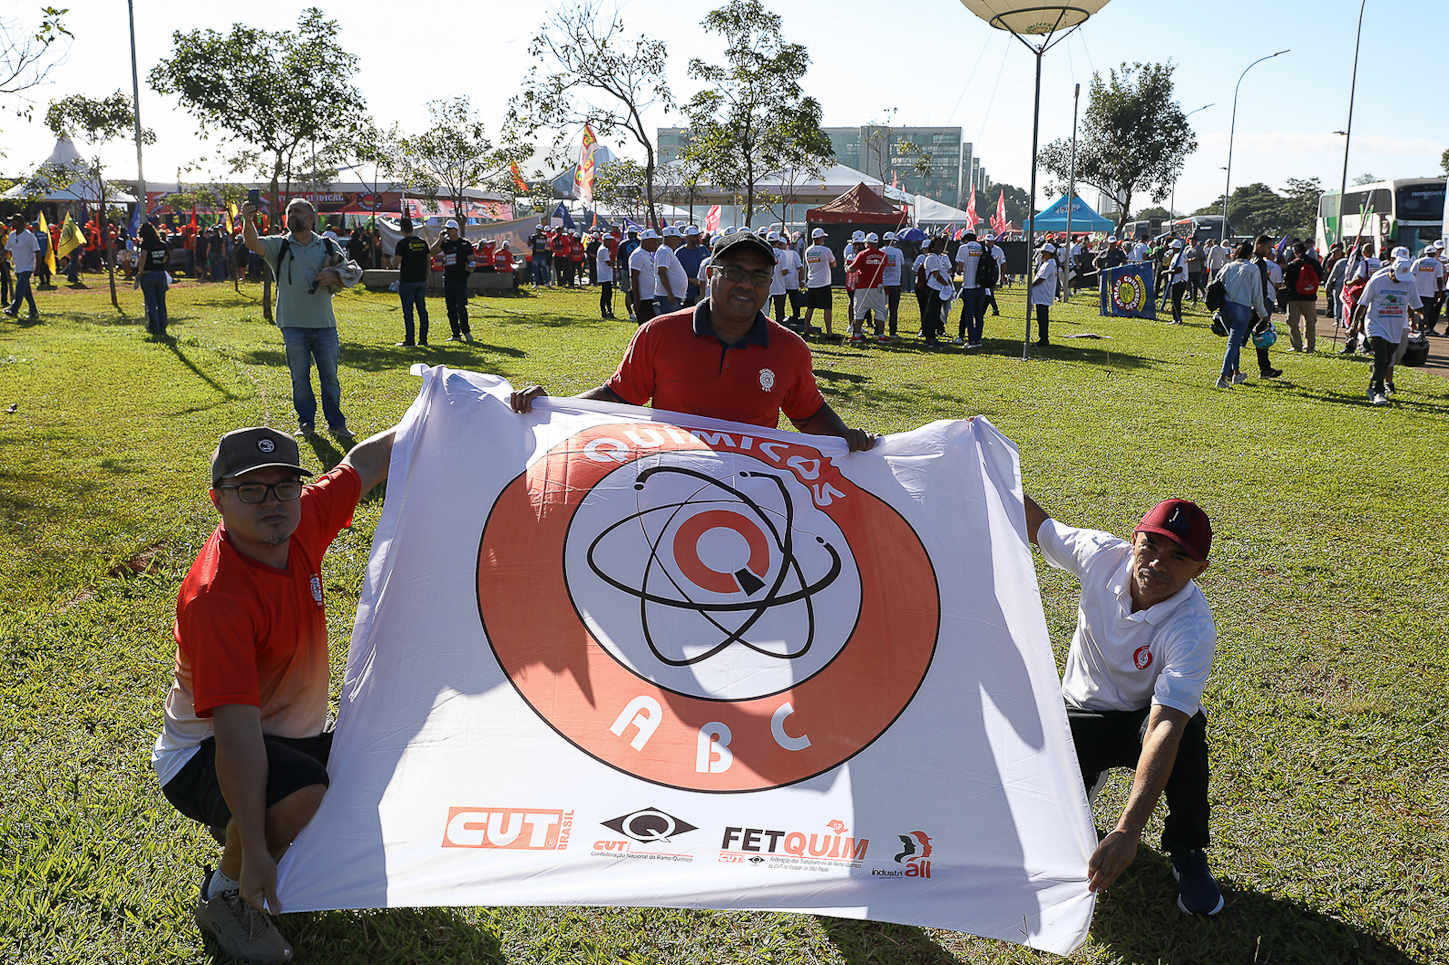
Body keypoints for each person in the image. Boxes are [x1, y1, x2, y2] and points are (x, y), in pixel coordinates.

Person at [154, 424, 396, 964]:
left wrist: (452, 407)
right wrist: (260, 854)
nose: (272, 502)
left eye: (284, 485)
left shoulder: (300, 516)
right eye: (250, 489)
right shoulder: (218, 599)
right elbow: (236, 735)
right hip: (202, 755)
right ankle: (224, 894)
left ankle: (241, 827)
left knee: (380, 761)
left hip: (285, 733)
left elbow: (366, 461)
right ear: (217, 498)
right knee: (304, 792)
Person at [1022, 495, 1223, 916]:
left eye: (1178, 557)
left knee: (1186, 736)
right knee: (1029, 823)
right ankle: (1083, 777)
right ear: (1133, 540)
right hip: (1078, 712)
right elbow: (1039, 526)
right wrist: (985, 460)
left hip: (1142, 719)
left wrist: (1128, 829)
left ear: (1200, 569)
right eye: (1150, 546)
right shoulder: (1100, 555)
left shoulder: (1193, 627)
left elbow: (1165, 723)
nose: (1157, 564)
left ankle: (1188, 850)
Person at [509, 230, 876, 453]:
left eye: (759, 277)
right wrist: (551, 408)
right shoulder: (660, 333)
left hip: (753, 490)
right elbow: (618, 397)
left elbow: (808, 413)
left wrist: (849, 438)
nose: (746, 284)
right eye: (734, 272)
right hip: (665, 481)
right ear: (711, 274)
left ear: (769, 283)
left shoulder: (790, 348)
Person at [242, 198, 355, 439]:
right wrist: (248, 220)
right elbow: (252, 243)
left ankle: (337, 424)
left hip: (324, 324)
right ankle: (306, 424)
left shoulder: (328, 245)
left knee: (330, 378)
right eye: (289, 211)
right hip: (292, 325)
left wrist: (333, 273)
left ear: (311, 218)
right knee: (300, 380)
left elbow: (350, 272)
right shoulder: (279, 246)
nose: (292, 215)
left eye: (298, 212)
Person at [1353, 257, 1422, 405]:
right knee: (1382, 358)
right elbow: (1362, 304)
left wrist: (1422, 317)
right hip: (1375, 325)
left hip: (1395, 329)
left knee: (1385, 361)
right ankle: (1379, 392)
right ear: (1391, 270)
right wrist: (1354, 325)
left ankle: (1372, 387)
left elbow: (1414, 304)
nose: (1400, 280)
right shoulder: (1377, 281)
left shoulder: (1408, 283)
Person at [1212, 241, 1269, 388]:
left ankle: (1236, 373)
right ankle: (1223, 377)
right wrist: (1263, 313)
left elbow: (1215, 283)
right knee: (1233, 342)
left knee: (1234, 341)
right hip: (1241, 309)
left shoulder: (1227, 267)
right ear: (1250, 254)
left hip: (1225, 309)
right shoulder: (1252, 268)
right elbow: (1257, 294)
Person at [430, 220, 474, 343]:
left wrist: (470, 267)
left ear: (456, 230)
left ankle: (466, 331)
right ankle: (455, 333)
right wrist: (439, 239)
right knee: (450, 308)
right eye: (446, 229)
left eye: (449, 229)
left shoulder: (465, 244)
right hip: (449, 278)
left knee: (461, 306)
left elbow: (472, 260)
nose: (447, 232)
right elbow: (431, 253)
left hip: (461, 279)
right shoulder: (446, 243)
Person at [389, 217, 431, 347]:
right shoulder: (423, 243)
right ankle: (423, 340)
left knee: (408, 312)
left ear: (401, 230)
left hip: (407, 282)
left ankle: (410, 340)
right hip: (421, 281)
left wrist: (391, 260)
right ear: (412, 228)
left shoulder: (402, 244)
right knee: (422, 310)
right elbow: (429, 261)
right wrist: (426, 278)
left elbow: (395, 263)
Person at [1250, 236, 1284, 378]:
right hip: (1256, 307)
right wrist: (1261, 310)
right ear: (1259, 246)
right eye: (1268, 247)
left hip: (1250, 305)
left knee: (1253, 338)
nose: (1270, 250)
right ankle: (1264, 369)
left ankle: (1265, 368)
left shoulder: (1251, 261)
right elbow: (1260, 289)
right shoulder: (1260, 263)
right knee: (1260, 337)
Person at [847, 232, 889, 344]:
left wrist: (848, 266)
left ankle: (857, 335)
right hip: (878, 287)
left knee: (859, 311)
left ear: (867, 243)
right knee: (880, 311)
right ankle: (881, 335)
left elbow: (853, 269)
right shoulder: (883, 255)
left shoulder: (862, 254)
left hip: (862, 287)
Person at [1281, 243, 1321, 352]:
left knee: (1293, 322)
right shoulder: (1314, 263)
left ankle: (1296, 346)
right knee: (1310, 322)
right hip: (1310, 297)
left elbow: (1287, 281)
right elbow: (1321, 277)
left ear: (1295, 252)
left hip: (1294, 297)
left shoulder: (1293, 264)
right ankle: (1309, 346)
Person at [137, 222, 172, 338]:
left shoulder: (146, 244)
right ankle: (163, 328)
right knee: (161, 303)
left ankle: (154, 328)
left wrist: (141, 271)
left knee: (151, 303)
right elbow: (165, 258)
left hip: (148, 275)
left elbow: (143, 256)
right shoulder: (162, 244)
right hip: (161, 274)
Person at [4, 213, 41, 320]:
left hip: (27, 268)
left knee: (19, 288)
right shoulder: (11, 235)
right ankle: (34, 312)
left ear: (20, 223)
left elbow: (37, 252)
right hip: (18, 268)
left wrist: (37, 268)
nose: (11, 224)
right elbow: (6, 251)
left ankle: (13, 310)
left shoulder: (29, 236)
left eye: (13, 221)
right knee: (26, 292)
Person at [802, 227, 837, 338]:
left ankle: (806, 331)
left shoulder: (808, 251)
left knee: (810, 308)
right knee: (827, 309)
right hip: (824, 283)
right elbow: (834, 264)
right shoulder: (826, 250)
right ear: (821, 238)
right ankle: (829, 333)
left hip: (812, 283)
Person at [954, 231, 986, 347]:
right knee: (978, 315)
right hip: (981, 285)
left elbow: (960, 268)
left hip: (968, 285)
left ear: (965, 239)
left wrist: (958, 271)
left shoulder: (964, 248)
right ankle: (978, 339)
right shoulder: (983, 247)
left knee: (969, 314)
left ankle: (971, 340)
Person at [629, 228, 668, 324]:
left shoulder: (647, 254)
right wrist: (637, 300)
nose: (656, 244)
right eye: (653, 241)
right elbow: (634, 277)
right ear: (646, 241)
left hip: (650, 296)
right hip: (644, 298)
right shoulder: (638, 255)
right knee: (646, 325)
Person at [922, 236, 952, 348]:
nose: (940, 246)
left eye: (941, 244)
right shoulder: (931, 258)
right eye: (937, 244)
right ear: (932, 246)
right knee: (932, 314)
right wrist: (946, 285)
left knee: (936, 313)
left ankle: (931, 337)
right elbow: (936, 275)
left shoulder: (941, 257)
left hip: (940, 289)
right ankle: (930, 339)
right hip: (933, 289)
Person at [1410, 245, 1445, 336]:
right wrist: (1440, 293)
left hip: (1416, 292)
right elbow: (1439, 279)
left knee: (1412, 311)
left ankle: (1411, 328)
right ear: (1434, 253)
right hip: (1429, 293)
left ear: (1425, 253)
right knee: (1425, 313)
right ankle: (1420, 331)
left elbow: (1411, 276)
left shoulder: (1417, 262)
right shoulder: (1438, 264)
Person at [1029, 244, 1058, 346]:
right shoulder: (1050, 263)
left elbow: (1041, 278)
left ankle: (1044, 339)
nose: (1041, 255)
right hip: (1043, 295)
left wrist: (1031, 285)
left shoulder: (1048, 264)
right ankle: (1043, 337)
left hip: (1043, 295)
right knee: (1042, 317)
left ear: (1049, 253)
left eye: (1043, 253)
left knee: (1042, 318)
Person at [675, 226, 708, 308]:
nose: (697, 238)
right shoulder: (679, 253)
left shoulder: (703, 250)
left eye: (698, 235)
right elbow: (677, 272)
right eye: (694, 236)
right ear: (687, 237)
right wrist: (692, 280)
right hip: (688, 293)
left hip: (703, 290)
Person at [881, 231, 905, 339]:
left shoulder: (880, 251)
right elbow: (902, 264)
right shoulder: (898, 252)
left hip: (882, 284)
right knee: (893, 308)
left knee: (880, 308)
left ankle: (879, 330)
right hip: (895, 284)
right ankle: (892, 331)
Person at [1165, 239, 1189, 325]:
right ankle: (1176, 318)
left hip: (1179, 280)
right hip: (1176, 280)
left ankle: (1178, 319)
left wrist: (1168, 272)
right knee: (1174, 300)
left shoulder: (1180, 256)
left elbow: (1180, 269)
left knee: (1175, 300)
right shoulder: (1180, 255)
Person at [596, 235, 616, 319]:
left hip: (605, 274)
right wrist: (616, 266)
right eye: (609, 241)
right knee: (607, 294)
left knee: (606, 293)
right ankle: (606, 311)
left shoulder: (603, 249)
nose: (610, 243)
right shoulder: (604, 250)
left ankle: (605, 311)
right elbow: (608, 262)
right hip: (605, 275)